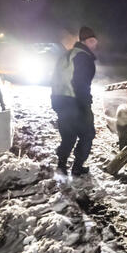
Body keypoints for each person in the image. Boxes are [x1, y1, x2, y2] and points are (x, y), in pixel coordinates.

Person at [51, 26, 98, 176]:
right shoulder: (83, 57)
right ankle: (77, 167)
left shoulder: (67, 55)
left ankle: (61, 164)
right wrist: (86, 105)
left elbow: (55, 78)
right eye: (91, 41)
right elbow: (81, 84)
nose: (94, 44)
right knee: (87, 134)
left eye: (95, 40)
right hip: (75, 102)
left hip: (59, 100)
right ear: (84, 42)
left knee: (68, 135)